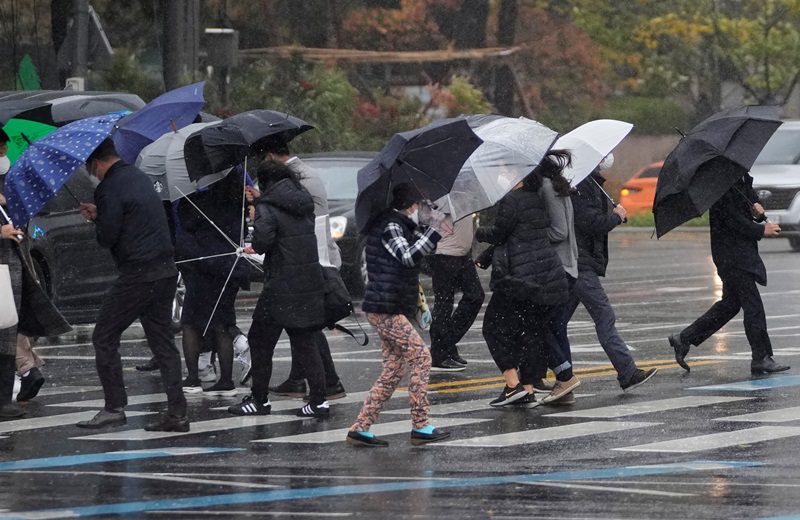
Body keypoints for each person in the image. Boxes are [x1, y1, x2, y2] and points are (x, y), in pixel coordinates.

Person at [76, 139, 188, 431]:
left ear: (96, 162)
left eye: (91, 168)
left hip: (138, 274)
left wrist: (96, 218)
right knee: (163, 344)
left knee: (104, 336)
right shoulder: (138, 177)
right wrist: (102, 213)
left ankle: (114, 406)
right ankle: (177, 413)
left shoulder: (108, 187)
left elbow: (107, 237)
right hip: (165, 270)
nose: (93, 173)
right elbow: (133, 216)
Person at [346, 184, 451, 447]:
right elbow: (406, 256)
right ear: (413, 206)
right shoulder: (391, 224)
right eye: (425, 207)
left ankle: (361, 427)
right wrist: (435, 232)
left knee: (393, 369)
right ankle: (421, 424)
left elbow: (416, 257)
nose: (428, 212)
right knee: (421, 358)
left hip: (388, 306)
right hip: (385, 307)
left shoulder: (402, 226)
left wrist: (430, 232)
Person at [227, 159, 330, 418]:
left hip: (280, 285)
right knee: (305, 341)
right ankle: (319, 401)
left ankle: (259, 400)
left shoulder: (267, 207)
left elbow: (261, 242)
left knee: (260, 341)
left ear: (264, 181)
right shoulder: (302, 201)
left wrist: (255, 212)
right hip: (307, 280)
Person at [250, 139, 347, 401]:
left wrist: (259, 210)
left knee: (271, 337)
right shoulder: (299, 194)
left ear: (270, 158)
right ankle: (312, 389)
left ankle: (264, 397)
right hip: (306, 269)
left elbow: (263, 240)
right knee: (303, 334)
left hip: (286, 277)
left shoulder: (282, 195)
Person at [669, 171, 788, 374]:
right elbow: (732, 221)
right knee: (753, 306)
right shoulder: (720, 182)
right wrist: (761, 230)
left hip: (737, 253)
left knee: (731, 304)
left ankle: (685, 338)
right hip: (731, 255)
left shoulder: (739, 177)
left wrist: (756, 207)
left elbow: (746, 203)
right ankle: (761, 357)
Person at [476, 163, 569, 408]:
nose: (502, 175)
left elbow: (499, 233)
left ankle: (512, 384)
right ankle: (527, 388)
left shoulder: (512, 200)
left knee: (493, 328)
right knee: (530, 333)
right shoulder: (534, 198)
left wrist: (479, 231)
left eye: (506, 171)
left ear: (519, 177)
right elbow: (518, 235)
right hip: (544, 276)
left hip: (519, 279)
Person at [565, 154, 657, 391]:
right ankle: (627, 372)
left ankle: (545, 372)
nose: (607, 158)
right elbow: (589, 222)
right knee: (604, 317)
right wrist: (615, 217)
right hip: (581, 263)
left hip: (579, 262)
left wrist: (615, 214)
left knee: (556, 322)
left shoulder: (591, 183)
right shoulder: (582, 185)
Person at [176, 172, 251, 397]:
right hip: (228, 268)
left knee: (190, 322)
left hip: (202, 267)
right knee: (223, 323)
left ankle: (192, 377)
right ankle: (227, 380)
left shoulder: (198, 204)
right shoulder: (236, 203)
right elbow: (244, 232)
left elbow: (186, 222)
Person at [0, 218, 72, 417]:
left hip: (10, 270)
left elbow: (22, 232)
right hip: (7, 270)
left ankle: (5, 399)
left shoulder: (10, 201)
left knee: (7, 334)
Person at [536, 150, 582, 405]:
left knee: (540, 325)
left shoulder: (546, 187)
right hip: (568, 267)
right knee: (556, 326)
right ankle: (566, 385)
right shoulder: (558, 186)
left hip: (559, 268)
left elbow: (559, 231)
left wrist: (533, 233)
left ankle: (565, 377)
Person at [428, 210, 484, 372]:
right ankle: (439, 354)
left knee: (475, 296)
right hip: (445, 254)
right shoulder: (441, 191)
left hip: (462, 254)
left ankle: (446, 344)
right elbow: (429, 217)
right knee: (444, 304)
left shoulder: (460, 189)